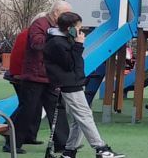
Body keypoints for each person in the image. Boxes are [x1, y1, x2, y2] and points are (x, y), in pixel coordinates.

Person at [43, 11, 123, 158]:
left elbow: (74, 63)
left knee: (79, 117)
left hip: (73, 81)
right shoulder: (57, 43)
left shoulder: (64, 39)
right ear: (70, 28)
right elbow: (69, 64)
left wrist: (76, 44)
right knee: (84, 115)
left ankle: (69, 151)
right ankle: (100, 148)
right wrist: (78, 45)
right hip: (68, 83)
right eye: (78, 27)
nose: (80, 30)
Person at [19, 2, 71, 151]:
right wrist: (56, 37)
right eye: (66, 14)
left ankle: (63, 144)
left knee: (57, 109)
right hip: (35, 75)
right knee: (28, 109)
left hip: (50, 75)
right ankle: (13, 142)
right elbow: (36, 44)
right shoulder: (39, 24)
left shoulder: (59, 27)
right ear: (56, 13)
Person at [4, 29, 31, 154]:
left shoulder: (25, 34)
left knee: (26, 106)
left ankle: (9, 129)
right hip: (22, 75)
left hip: (18, 74)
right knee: (26, 107)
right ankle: (9, 131)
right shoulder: (31, 36)